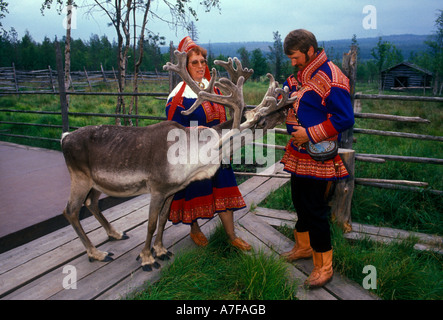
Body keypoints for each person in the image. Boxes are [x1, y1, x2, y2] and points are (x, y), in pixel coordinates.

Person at [280, 29, 354, 288]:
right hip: (299, 152)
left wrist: (310, 133)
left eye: (295, 56)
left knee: (315, 210)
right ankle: (304, 247)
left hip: (318, 155)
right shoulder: (301, 75)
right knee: (299, 202)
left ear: (310, 51)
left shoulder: (332, 77)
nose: (293, 62)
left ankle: (324, 266)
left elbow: (345, 118)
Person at [165, 36, 251, 251]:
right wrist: (194, 132)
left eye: (203, 61)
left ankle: (231, 236)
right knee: (194, 194)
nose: (201, 66)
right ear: (185, 65)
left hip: (219, 153)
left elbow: (226, 118)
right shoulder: (178, 97)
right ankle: (194, 229)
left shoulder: (215, 90)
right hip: (194, 158)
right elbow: (172, 132)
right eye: (195, 62)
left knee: (225, 191)